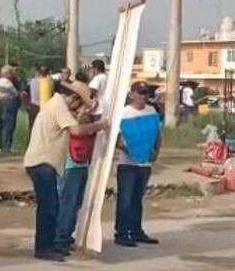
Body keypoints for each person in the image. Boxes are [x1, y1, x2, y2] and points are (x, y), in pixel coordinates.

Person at [23, 80, 107, 261]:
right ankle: (44, 248)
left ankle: (48, 244)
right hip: (43, 162)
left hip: (42, 162)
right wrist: (99, 126)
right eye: (79, 104)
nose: (77, 108)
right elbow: (76, 131)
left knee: (50, 206)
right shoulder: (59, 105)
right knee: (49, 208)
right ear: (74, 98)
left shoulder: (54, 104)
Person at [115, 82, 163, 247]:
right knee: (125, 200)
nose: (143, 96)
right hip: (128, 163)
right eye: (140, 93)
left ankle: (136, 231)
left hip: (145, 163)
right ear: (132, 94)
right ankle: (122, 233)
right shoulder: (123, 114)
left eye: (145, 93)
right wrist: (131, 151)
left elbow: (157, 134)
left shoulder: (151, 111)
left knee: (137, 199)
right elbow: (116, 140)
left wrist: (156, 151)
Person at [56, 102, 97, 255]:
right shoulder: (68, 121)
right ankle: (60, 238)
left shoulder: (90, 123)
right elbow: (76, 130)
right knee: (67, 204)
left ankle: (67, 236)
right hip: (70, 167)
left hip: (82, 166)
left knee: (76, 204)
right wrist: (81, 116)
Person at [0, 65, 21, 153]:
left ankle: (1, 145)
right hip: (9, 103)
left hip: (2, 103)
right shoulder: (7, 82)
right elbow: (15, 93)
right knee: (9, 125)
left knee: (3, 125)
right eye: (11, 73)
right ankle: (6, 146)